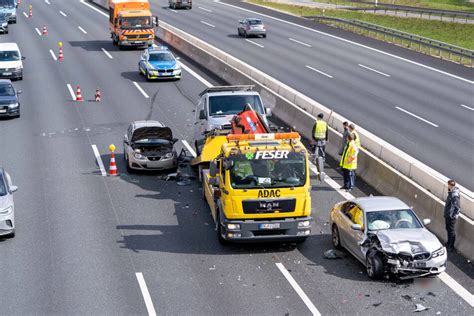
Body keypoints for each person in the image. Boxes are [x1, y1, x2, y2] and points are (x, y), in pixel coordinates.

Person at [444, 179, 461, 251]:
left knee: (451, 230)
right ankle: (448, 243)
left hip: (451, 216)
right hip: (448, 214)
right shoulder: (451, 192)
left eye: (448, 185)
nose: (447, 186)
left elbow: (457, 207)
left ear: (451, 185)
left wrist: (452, 215)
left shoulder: (454, 195)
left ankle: (451, 246)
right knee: (448, 229)